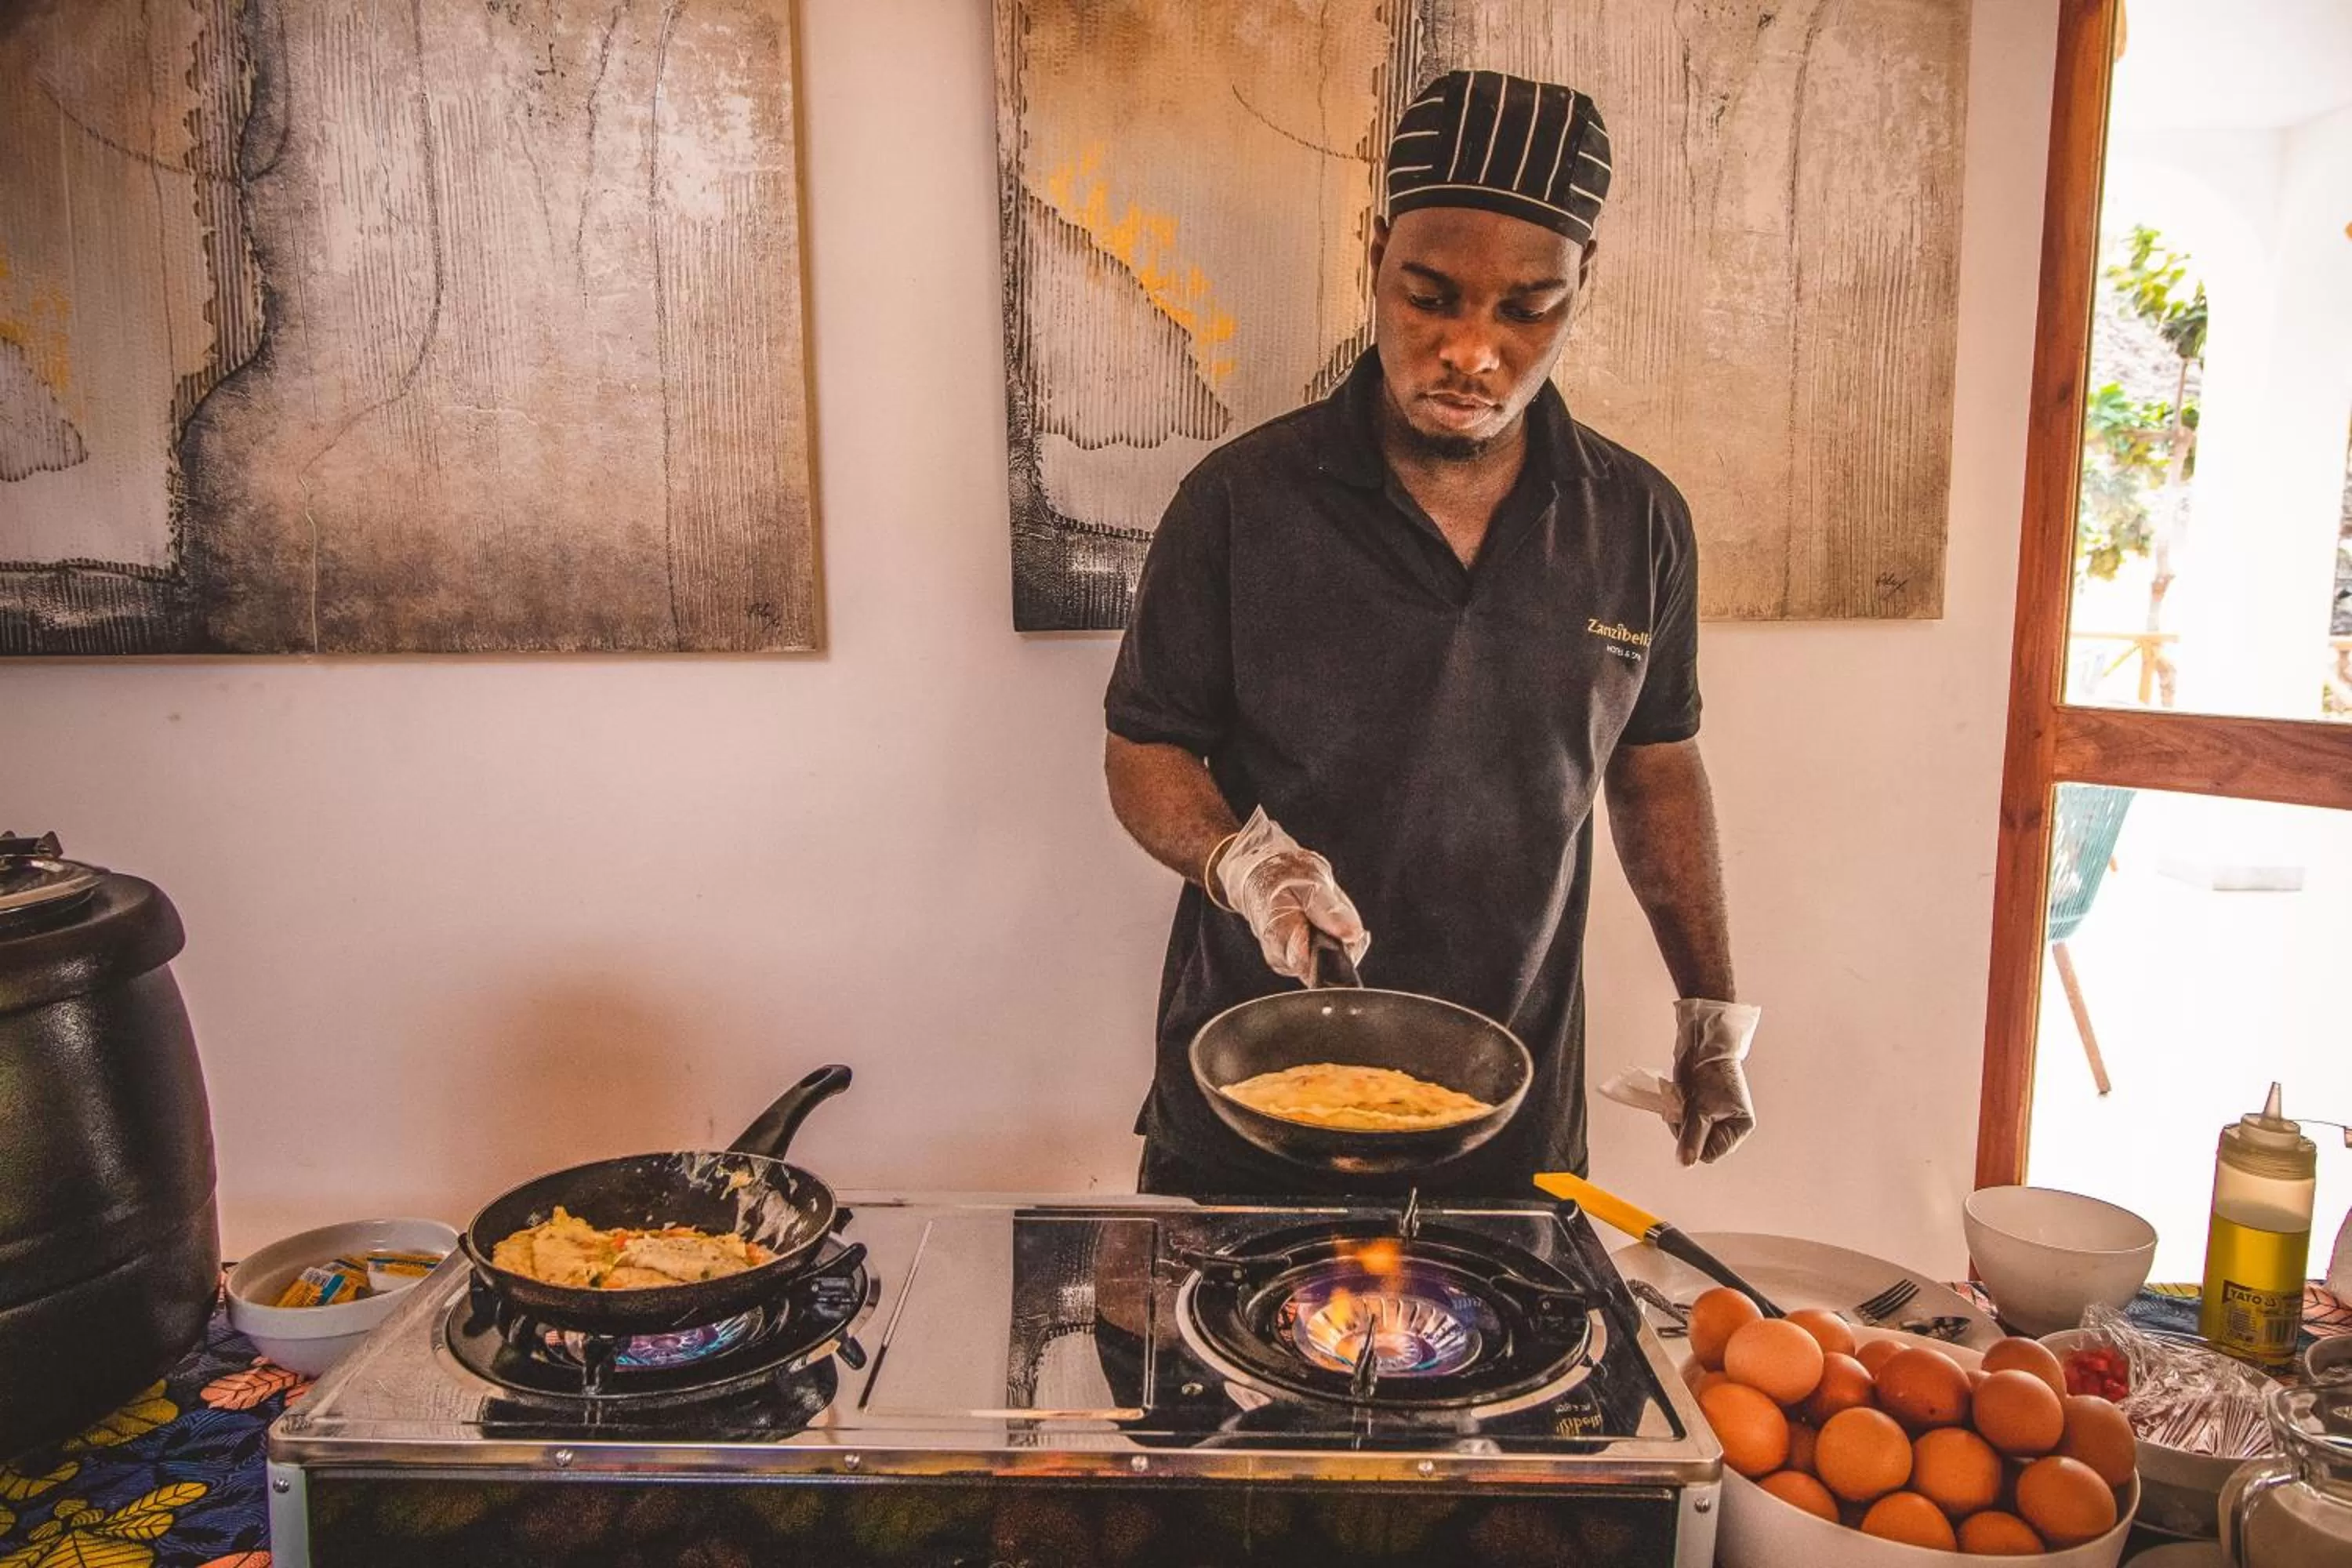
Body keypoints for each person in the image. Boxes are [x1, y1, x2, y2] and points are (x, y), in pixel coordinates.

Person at [1103, 69, 1759, 1200]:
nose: (1471, 350)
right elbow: (1145, 746)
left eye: (1526, 308)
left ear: (1581, 285)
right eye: (1431, 295)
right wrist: (1243, 863)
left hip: (1507, 1111)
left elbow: (1654, 770)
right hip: (1253, 1092)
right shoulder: (1241, 500)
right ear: (1374, 255)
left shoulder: (1636, 518)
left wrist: (1708, 1008)